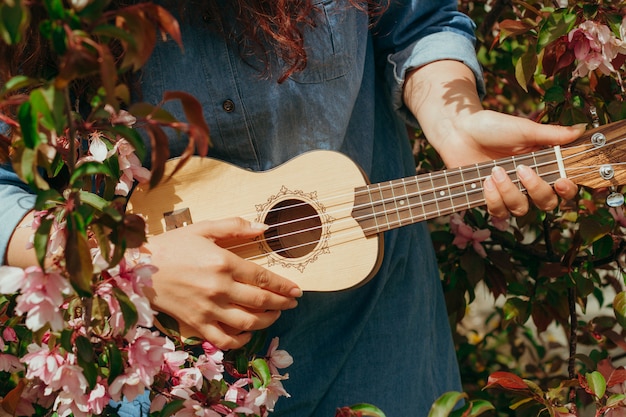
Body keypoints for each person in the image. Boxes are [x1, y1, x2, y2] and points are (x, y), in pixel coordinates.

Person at [0, 0, 584, 415]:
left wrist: (452, 116)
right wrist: (132, 263)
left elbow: (418, 21)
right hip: (161, 371)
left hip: (377, 341)